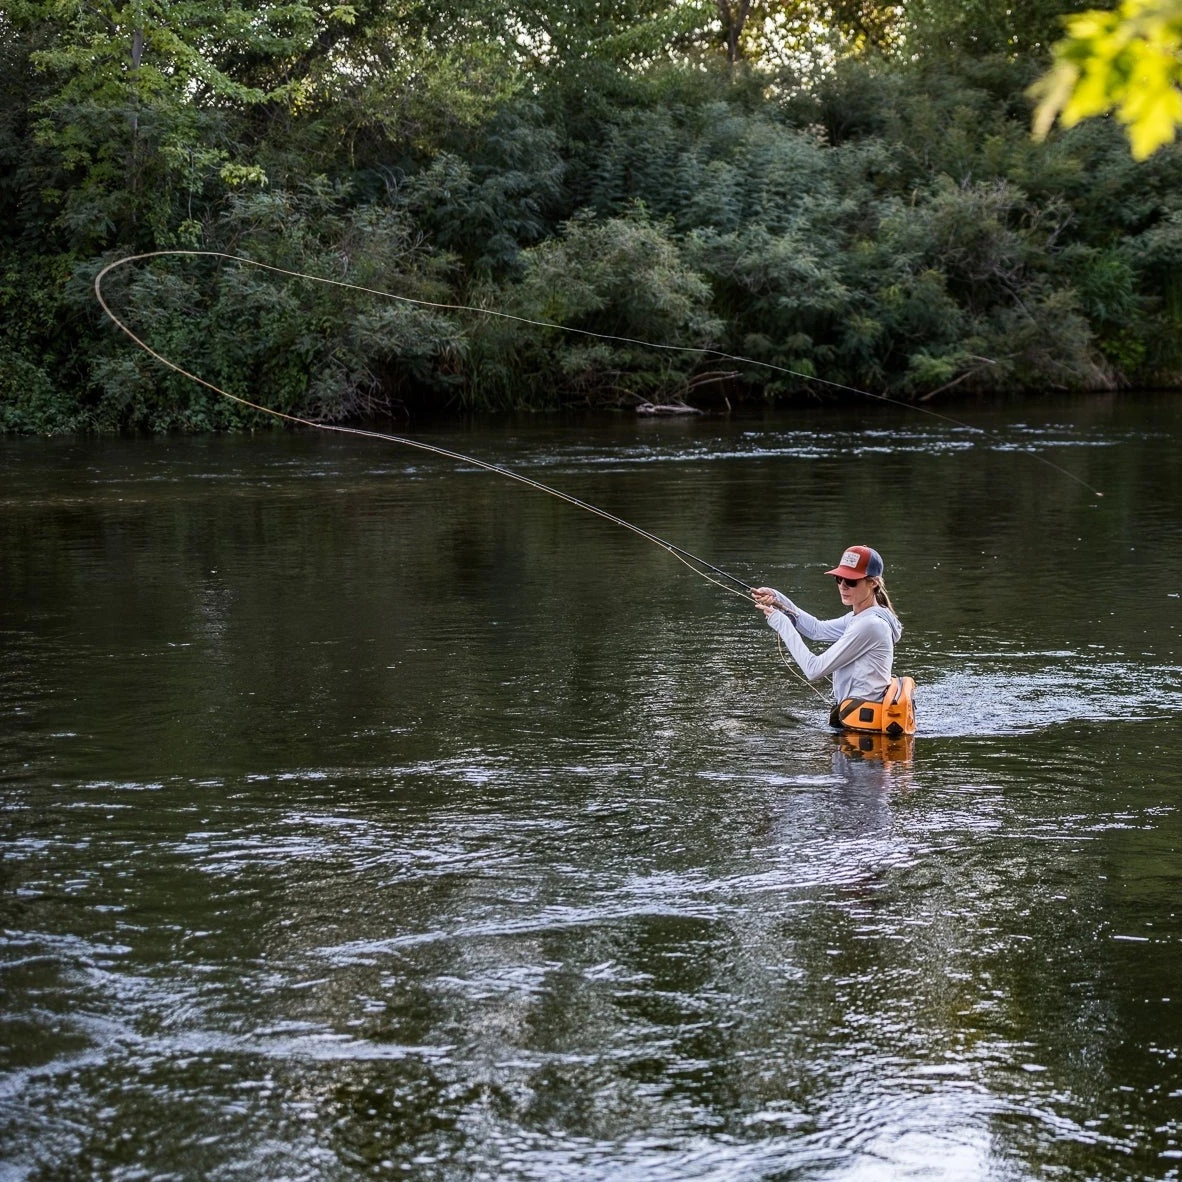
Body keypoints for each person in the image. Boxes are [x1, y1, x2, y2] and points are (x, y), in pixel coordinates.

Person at [752, 545, 904, 728]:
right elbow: (816, 629)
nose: (843, 586)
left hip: (862, 732)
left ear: (874, 582)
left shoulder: (870, 625)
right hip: (856, 722)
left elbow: (813, 669)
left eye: (851, 581)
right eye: (839, 579)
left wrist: (781, 623)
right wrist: (778, 599)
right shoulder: (864, 616)